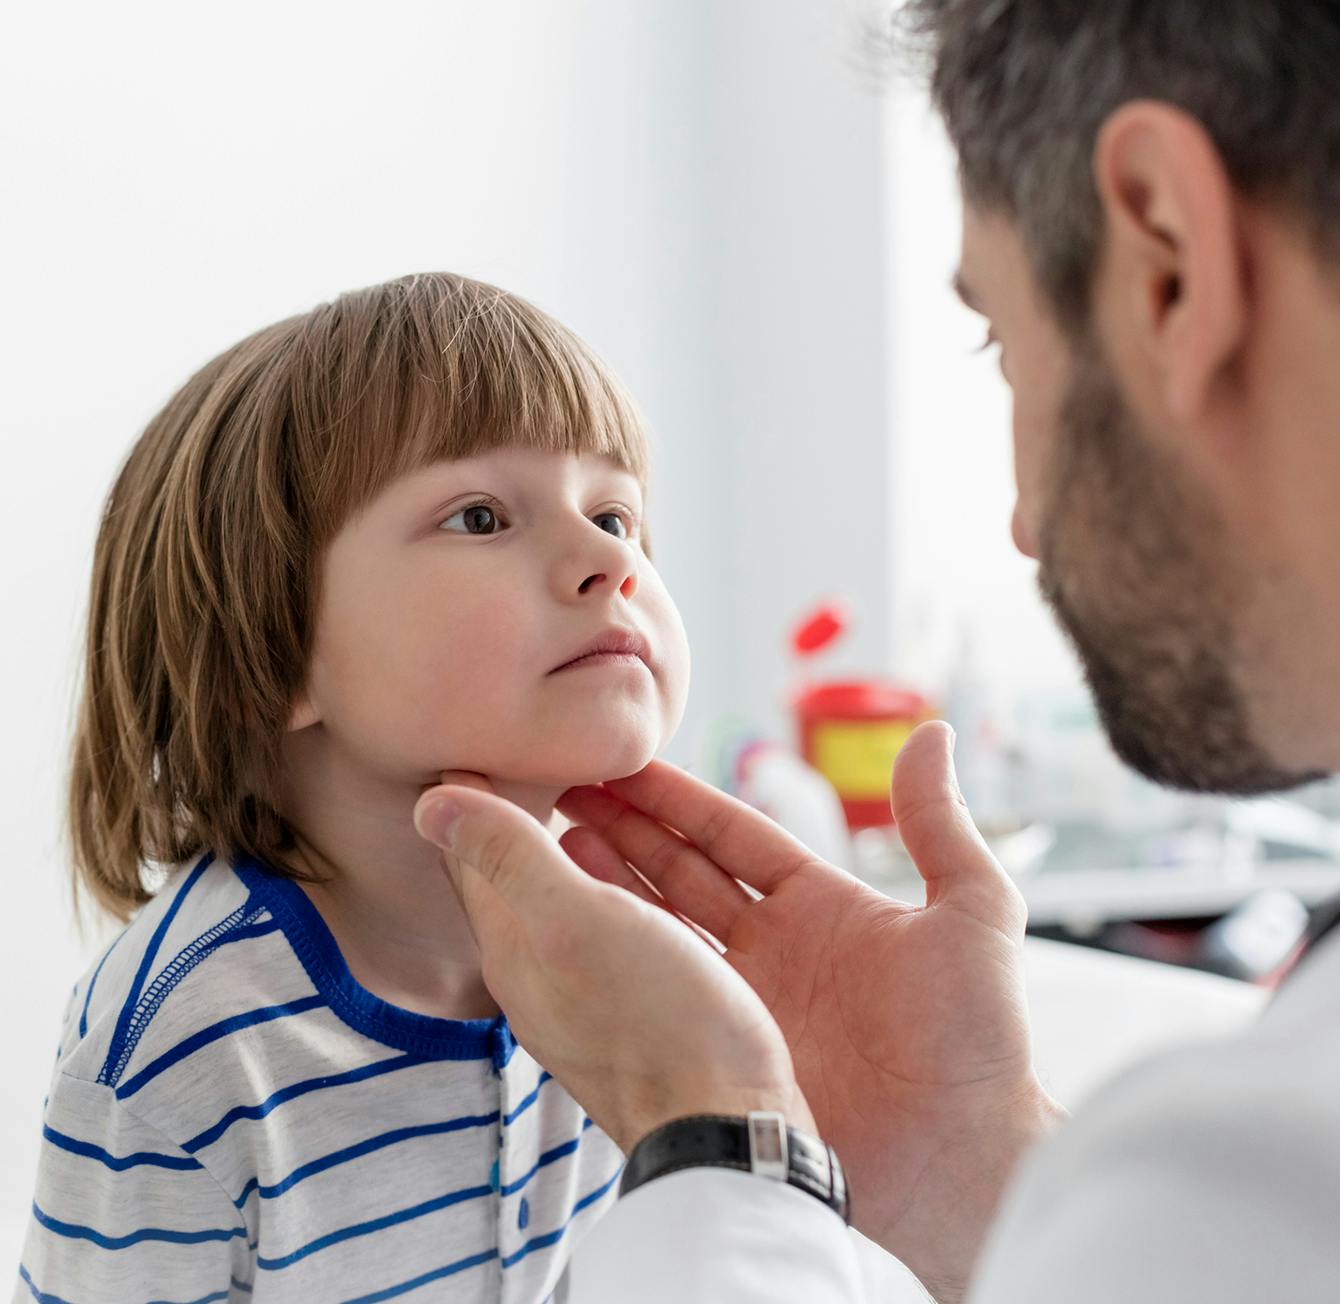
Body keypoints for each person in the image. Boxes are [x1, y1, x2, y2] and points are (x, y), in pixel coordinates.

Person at [412, 2, 1340, 1301]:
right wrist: (963, 1146)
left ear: (1167, 257)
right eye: (477, 516)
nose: (1020, 524)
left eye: (1004, 343)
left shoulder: (1253, 1180)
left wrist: (717, 1139)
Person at [15, 271, 710, 1302]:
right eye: (479, 516)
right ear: (274, 646)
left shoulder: (632, 969)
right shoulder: (184, 1043)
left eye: (616, 513)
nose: (606, 560)